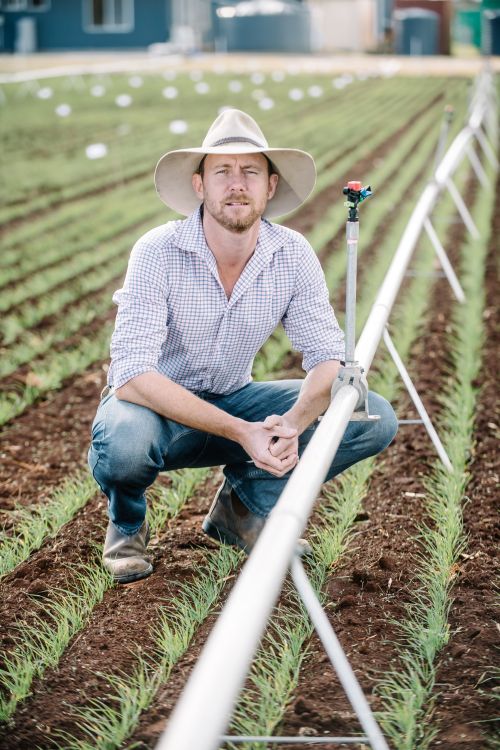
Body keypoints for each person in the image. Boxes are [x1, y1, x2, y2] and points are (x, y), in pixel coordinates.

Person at [88, 109, 398, 584]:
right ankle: (127, 524)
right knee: (125, 446)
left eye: (251, 171)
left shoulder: (292, 254)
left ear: (270, 186)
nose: (237, 184)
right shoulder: (157, 251)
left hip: (234, 394)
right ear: (200, 186)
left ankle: (240, 509)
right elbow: (130, 374)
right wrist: (240, 431)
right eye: (223, 172)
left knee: (367, 416)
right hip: (154, 408)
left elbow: (326, 358)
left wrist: (293, 423)